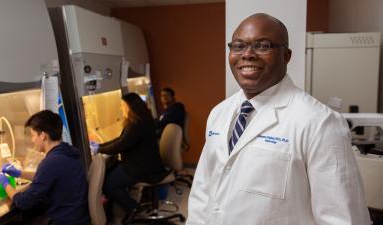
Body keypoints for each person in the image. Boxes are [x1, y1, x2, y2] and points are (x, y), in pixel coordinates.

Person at [186, 13, 370, 225]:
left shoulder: (319, 122)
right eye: (238, 46)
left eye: (262, 46)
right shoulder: (219, 113)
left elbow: (343, 219)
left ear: (286, 56)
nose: (247, 54)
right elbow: (202, 190)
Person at [0, 110, 90, 225]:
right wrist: (20, 173)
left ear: (43, 135)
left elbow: (23, 202)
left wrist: (5, 184)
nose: (32, 140)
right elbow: (48, 177)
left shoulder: (51, 162)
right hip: (77, 218)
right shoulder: (67, 152)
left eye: (32, 135)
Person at [90, 92, 168, 224]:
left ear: (131, 106)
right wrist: (100, 146)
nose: (121, 108)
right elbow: (121, 139)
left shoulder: (137, 123)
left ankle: (133, 209)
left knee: (109, 184)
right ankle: (125, 208)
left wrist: (99, 149)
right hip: (145, 163)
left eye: (122, 105)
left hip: (143, 168)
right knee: (110, 172)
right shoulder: (142, 118)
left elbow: (121, 144)